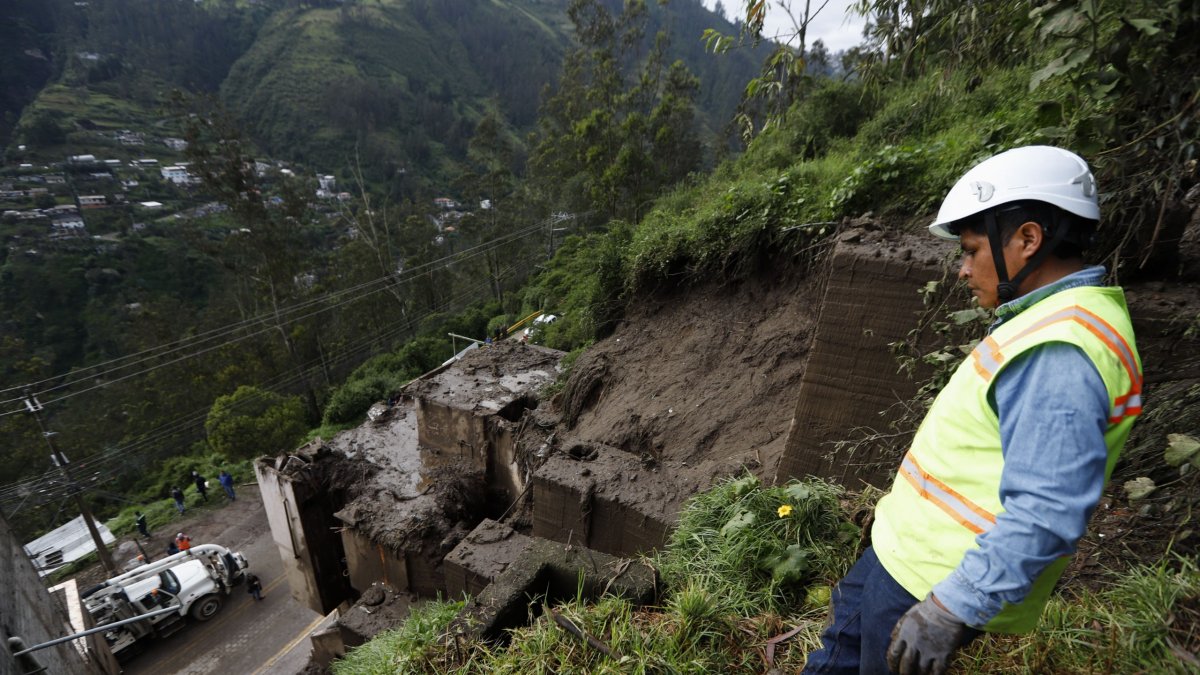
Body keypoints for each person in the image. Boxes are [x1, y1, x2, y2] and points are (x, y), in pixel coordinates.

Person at [803, 146, 1142, 675]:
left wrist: (950, 607)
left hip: (928, 584)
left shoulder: (1062, 350)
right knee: (836, 657)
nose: (962, 270)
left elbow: (1046, 508)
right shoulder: (1044, 322)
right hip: (899, 557)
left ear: (1028, 239)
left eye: (970, 250)